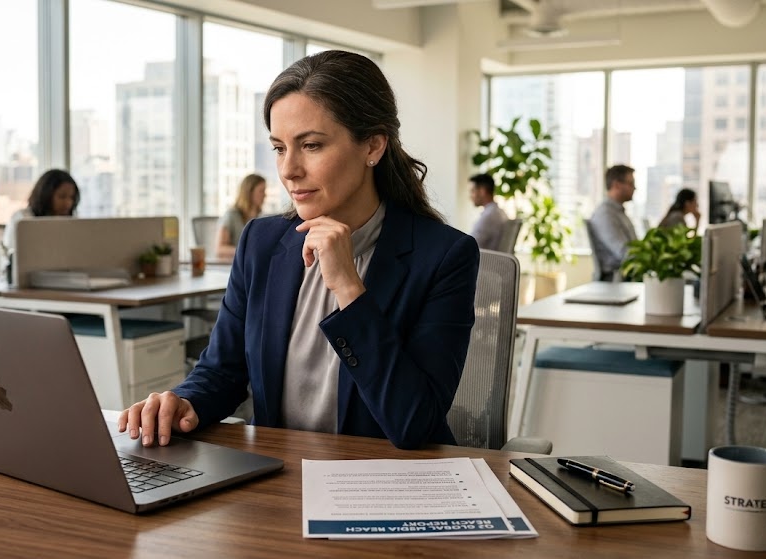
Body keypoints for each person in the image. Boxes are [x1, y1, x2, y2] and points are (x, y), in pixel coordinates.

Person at [118, 50, 479, 450]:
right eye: (278, 148)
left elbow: (413, 423)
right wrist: (184, 402)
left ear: (373, 146)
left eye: (310, 145)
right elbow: (222, 372)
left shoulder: (444, 257)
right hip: (279, 481)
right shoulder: (261, 242)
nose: (289, 170)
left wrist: (348, 287)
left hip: (383, 485)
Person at [2, 169, 80, 253]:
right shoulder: (22, 219)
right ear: (46, 195)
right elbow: (10, 255)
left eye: (71, 197)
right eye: (62, 196)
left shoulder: (74, 223)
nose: (68, 203)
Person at [589, 164, 638, 282]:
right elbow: (624, 253)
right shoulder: (606, 214)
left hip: (626, 277)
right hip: (615, 280)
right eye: (631, 183)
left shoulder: (618, 212)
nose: (635, 188)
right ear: (616, 185)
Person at [216, 173, 267, 260]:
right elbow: (220, 249)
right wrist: (247, 251)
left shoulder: (261, 218)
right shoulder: (231, 215)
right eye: (261, 191)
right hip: (234, 265)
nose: (265, 195)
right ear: (249, 193)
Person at [467, 173, 508, 251]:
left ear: (482, 191)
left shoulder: (489, 216)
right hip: (494, 259)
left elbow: (470, 245)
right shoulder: (499, 212)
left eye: (472, 191)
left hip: (485, 261)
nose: (470, 196)